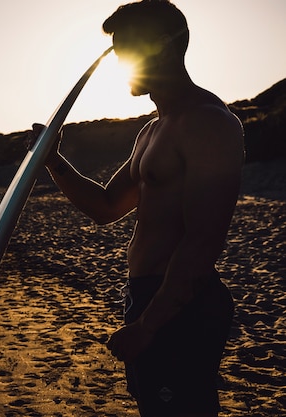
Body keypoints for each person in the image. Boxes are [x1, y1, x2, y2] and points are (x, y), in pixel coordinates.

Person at [29, 1, 244, 416]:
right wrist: (53, 160)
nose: (118, 61)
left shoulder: (208, 123)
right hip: (146, 296)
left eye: (125, 48)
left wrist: (150, 325)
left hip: (182, 303)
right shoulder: (152, 128)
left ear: (162, 45)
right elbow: (106, 206)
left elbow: (204, 239)